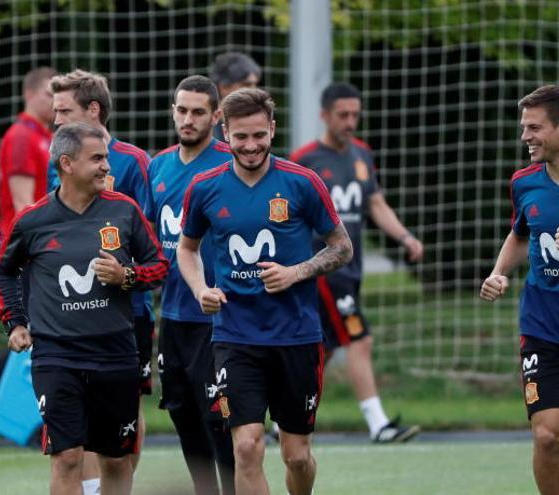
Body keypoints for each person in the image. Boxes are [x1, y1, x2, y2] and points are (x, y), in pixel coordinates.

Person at [177, 88, 352, 495]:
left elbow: (342, 246)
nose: (251, 146)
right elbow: (187, 250)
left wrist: (297, 272)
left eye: (259, 135)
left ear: (272, 129)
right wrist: (201, 287)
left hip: (297, 336)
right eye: (241, 137)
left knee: (296, 456)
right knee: (247, 446)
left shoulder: (302, 182)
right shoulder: (205, 187)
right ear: (225, 132)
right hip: (235, 336)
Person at [0, 122, 168, 495]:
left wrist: (127, 276)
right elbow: (2, 270)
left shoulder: (125, 211)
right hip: (57, 356)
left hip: (116, 354)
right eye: (98, 158)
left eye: (106, 157)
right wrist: (16, 323)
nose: (108, 166)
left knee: (116, 459)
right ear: (67, 163)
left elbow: (159, 267)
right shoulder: (33, 220)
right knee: (67, 456)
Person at [289, 82, 423, 443]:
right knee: (360, 340)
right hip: (324, 270)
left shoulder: (362, 154)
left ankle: (283, 422)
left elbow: (375, 204)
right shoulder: (304, 160)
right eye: (342, 115)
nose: (350, 122)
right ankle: (378, 424)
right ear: (325, 115)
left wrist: (405, 237)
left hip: (353, 269)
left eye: (355, 115)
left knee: (326, 347)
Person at [48, 68, 155, 493]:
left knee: (128, 406)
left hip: (126, 313)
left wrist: (123, 275)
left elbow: (147, 240)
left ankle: (115, 484)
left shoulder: (134, 162)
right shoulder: (58, 159)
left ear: (93, 110)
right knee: (75, 409)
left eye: (64, 110)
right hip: (70, 311)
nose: (55, 120)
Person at [149, 75, 235, 494]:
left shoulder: (228, 165)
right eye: (181, 110)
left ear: (217, 117)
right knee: (182, 411)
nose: (188, 119)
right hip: (173, 314)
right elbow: (148, 237)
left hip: (217, 316)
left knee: (220, 416)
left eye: (198, 111)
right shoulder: (158, 166)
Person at [480, 84, 559, 495]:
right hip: (542, 328)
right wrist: (498, 272)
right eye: (523, 127)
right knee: (547, 435)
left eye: (534, 127)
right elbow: (520, 233)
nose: (525, 137)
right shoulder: (525, 183)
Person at [0, 66, 56, 233]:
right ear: (29, 94)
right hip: (26, 240)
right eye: (49, 95)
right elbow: (23, 204)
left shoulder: (47, 137)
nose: (54, 102)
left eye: (57, 96)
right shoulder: (21, 136)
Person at [208, 52, 261, 142]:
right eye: (246, 85)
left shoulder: (258, 122)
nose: (254, 91)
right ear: (224, 87)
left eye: (255, 85)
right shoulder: (204, 125)